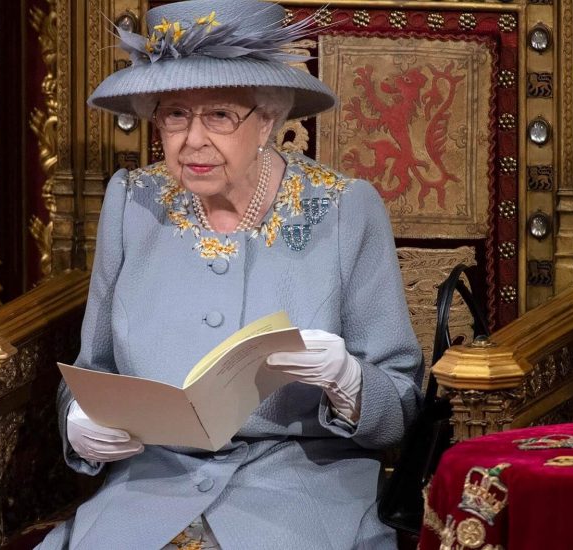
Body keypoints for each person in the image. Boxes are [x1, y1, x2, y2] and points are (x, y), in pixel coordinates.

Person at [37, 1, 422, 548]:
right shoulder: (132, 202)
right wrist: (80, 422)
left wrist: (349, 380)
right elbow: (90, 369)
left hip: (301, 496)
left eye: (219, 115)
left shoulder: (344, 209)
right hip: (148, 494)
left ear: (267, 120)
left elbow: (401, 403)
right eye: (175, 115)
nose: (192, 140)